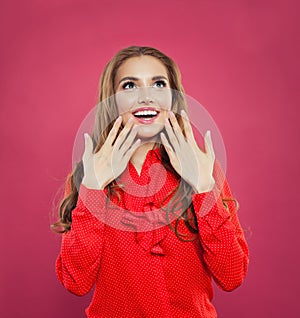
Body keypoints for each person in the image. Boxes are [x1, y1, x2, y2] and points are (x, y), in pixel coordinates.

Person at [52, 46, 249, 318]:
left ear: (173, 98)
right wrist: (92, 192)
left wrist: (205, 188)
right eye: (130, 85)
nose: (146, 96)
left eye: (158, 83)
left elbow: (232, 274)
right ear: (112, 102)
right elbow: (75, 281)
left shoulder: (203, 169)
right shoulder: (89, 176)